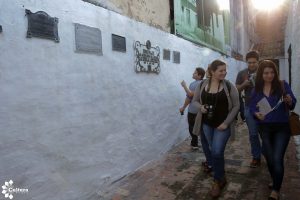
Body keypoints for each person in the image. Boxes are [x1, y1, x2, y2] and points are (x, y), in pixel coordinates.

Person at [249, 60, 296, 200]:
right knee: (269, 157)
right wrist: (255, 113)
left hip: (282, 127)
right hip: (264, 128)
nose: (269, 75)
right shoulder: (256, 89)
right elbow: (252, 107)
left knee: (277, 158)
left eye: (272, 72)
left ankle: (276, 189)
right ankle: (276, 178)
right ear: (261, 74)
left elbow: (293, 103)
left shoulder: (282, 85)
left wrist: (289, 100)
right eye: (266, 73)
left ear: (275, 73)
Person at [192, 60, 239, 197]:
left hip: (222, 126)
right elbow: (194, 101)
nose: (224, 73)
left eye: (225, 70)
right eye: (221, 70)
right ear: (212, 71)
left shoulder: (229, 86)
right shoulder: (202, 85)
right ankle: (221, 176)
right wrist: (201, 107)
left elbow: (236, 106)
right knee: (213, 151)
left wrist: (226, 123)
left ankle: (217, 181)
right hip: (206, 124)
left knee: (217, 152)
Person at [179, 67, 212, 173]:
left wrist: (184, 86)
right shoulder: (194, 83)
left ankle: (200, 146)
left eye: (195, 73)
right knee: (192, 127)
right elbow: (189, 98)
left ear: (200, 75)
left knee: (199, 129)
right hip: (192, 110)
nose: (193, 74)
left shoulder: (200, 83)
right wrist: (184, 107)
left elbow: (190, 95)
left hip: (198, 111)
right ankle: (195, 143)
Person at [235, 50, 262, 168]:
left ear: (258, 61)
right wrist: (244, 84)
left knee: (266, 133)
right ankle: (256, 157)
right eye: (249, 62)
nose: (251, 65)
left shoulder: (264, 72)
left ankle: (268, 153)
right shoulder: (242, 74)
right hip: (249, 107)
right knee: (253, 134)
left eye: (254, 62)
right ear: (246, 62)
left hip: (264, 107)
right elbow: (236, 90)